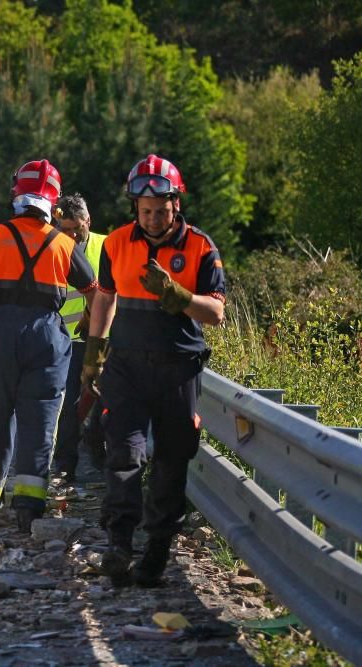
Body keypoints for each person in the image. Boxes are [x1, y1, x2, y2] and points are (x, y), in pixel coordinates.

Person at [82, 154, 225, 587]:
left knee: (170, 460)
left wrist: (179, 295)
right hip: (126, 365)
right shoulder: (116, 244)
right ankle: (119, 543)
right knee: (123, 452)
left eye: (160, 211)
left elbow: (216, 313)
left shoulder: (201, 247)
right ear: (134, 208)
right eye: (144, 211)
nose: (152, 219)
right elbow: (105, 299)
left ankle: (157, 551)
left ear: (175, 205)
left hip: (178, 368)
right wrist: (94, 354)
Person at [0, 160, 97, 531]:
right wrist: (94, 334)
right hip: (47, 337)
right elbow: (98, 293)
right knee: (40, 418)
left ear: (16, 195)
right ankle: (28, 505)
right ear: (53, 203)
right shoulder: (64, 243)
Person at [50, 194, 106, 481]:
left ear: (88, 221)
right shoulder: (50, 248)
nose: (71, 234)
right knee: (68, 406)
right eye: (64, 228)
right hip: (66, 341)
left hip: (103, 340)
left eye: (77, 228)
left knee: (104, 403)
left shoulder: (106, 246)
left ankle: (98, 452)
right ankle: (65, 466)